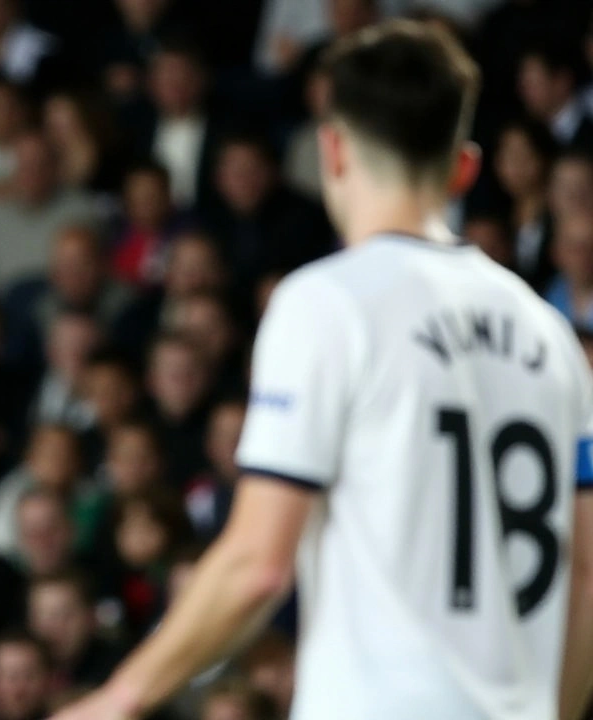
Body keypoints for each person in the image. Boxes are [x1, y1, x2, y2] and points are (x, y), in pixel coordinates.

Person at [51, 20, 593, 720]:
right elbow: (586, 574)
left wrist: (117, 699)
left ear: (333, 150)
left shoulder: (328, 302)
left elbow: (258, 563)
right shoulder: (551, 336)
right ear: (464, 167)